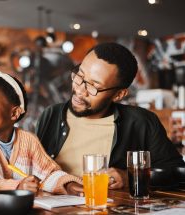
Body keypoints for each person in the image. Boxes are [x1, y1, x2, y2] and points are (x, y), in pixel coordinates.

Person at [35, 42, 185, 189]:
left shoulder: (141, 122)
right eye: (79, 75)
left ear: (119, 94)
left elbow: (178, 173)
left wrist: (131, 177)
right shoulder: (51, 115)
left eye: (94, 86)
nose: (80, 90)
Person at [0, 70, 83, 196]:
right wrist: (18, 186)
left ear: (14, 113)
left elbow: (48, 174)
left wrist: (68, 185)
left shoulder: (28, 140)